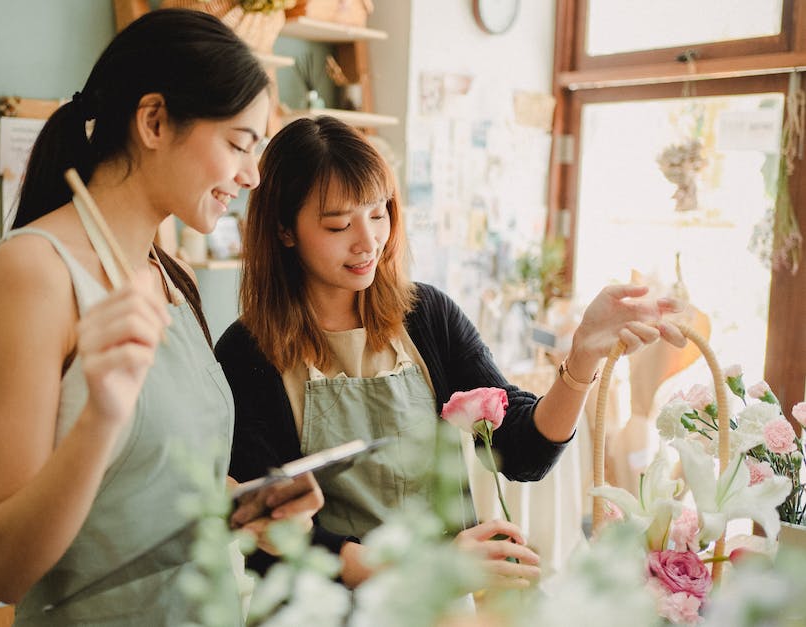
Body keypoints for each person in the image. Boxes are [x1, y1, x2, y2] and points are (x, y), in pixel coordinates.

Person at [215, 116, 688, 588]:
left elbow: (523, 451)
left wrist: (582, 355)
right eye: (338, 224)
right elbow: (273, 531)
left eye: (379, 214)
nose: (368, 242)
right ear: (284, 230)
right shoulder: (246, 354)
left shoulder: (426, 316)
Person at [0, 10, 321, 625]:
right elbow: (1, 570)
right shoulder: (34, 271)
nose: (252, 175)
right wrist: (101, 417)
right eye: (240, 143)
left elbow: (144, 496)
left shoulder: (170, 277)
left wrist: (246, 506)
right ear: (154, 121)